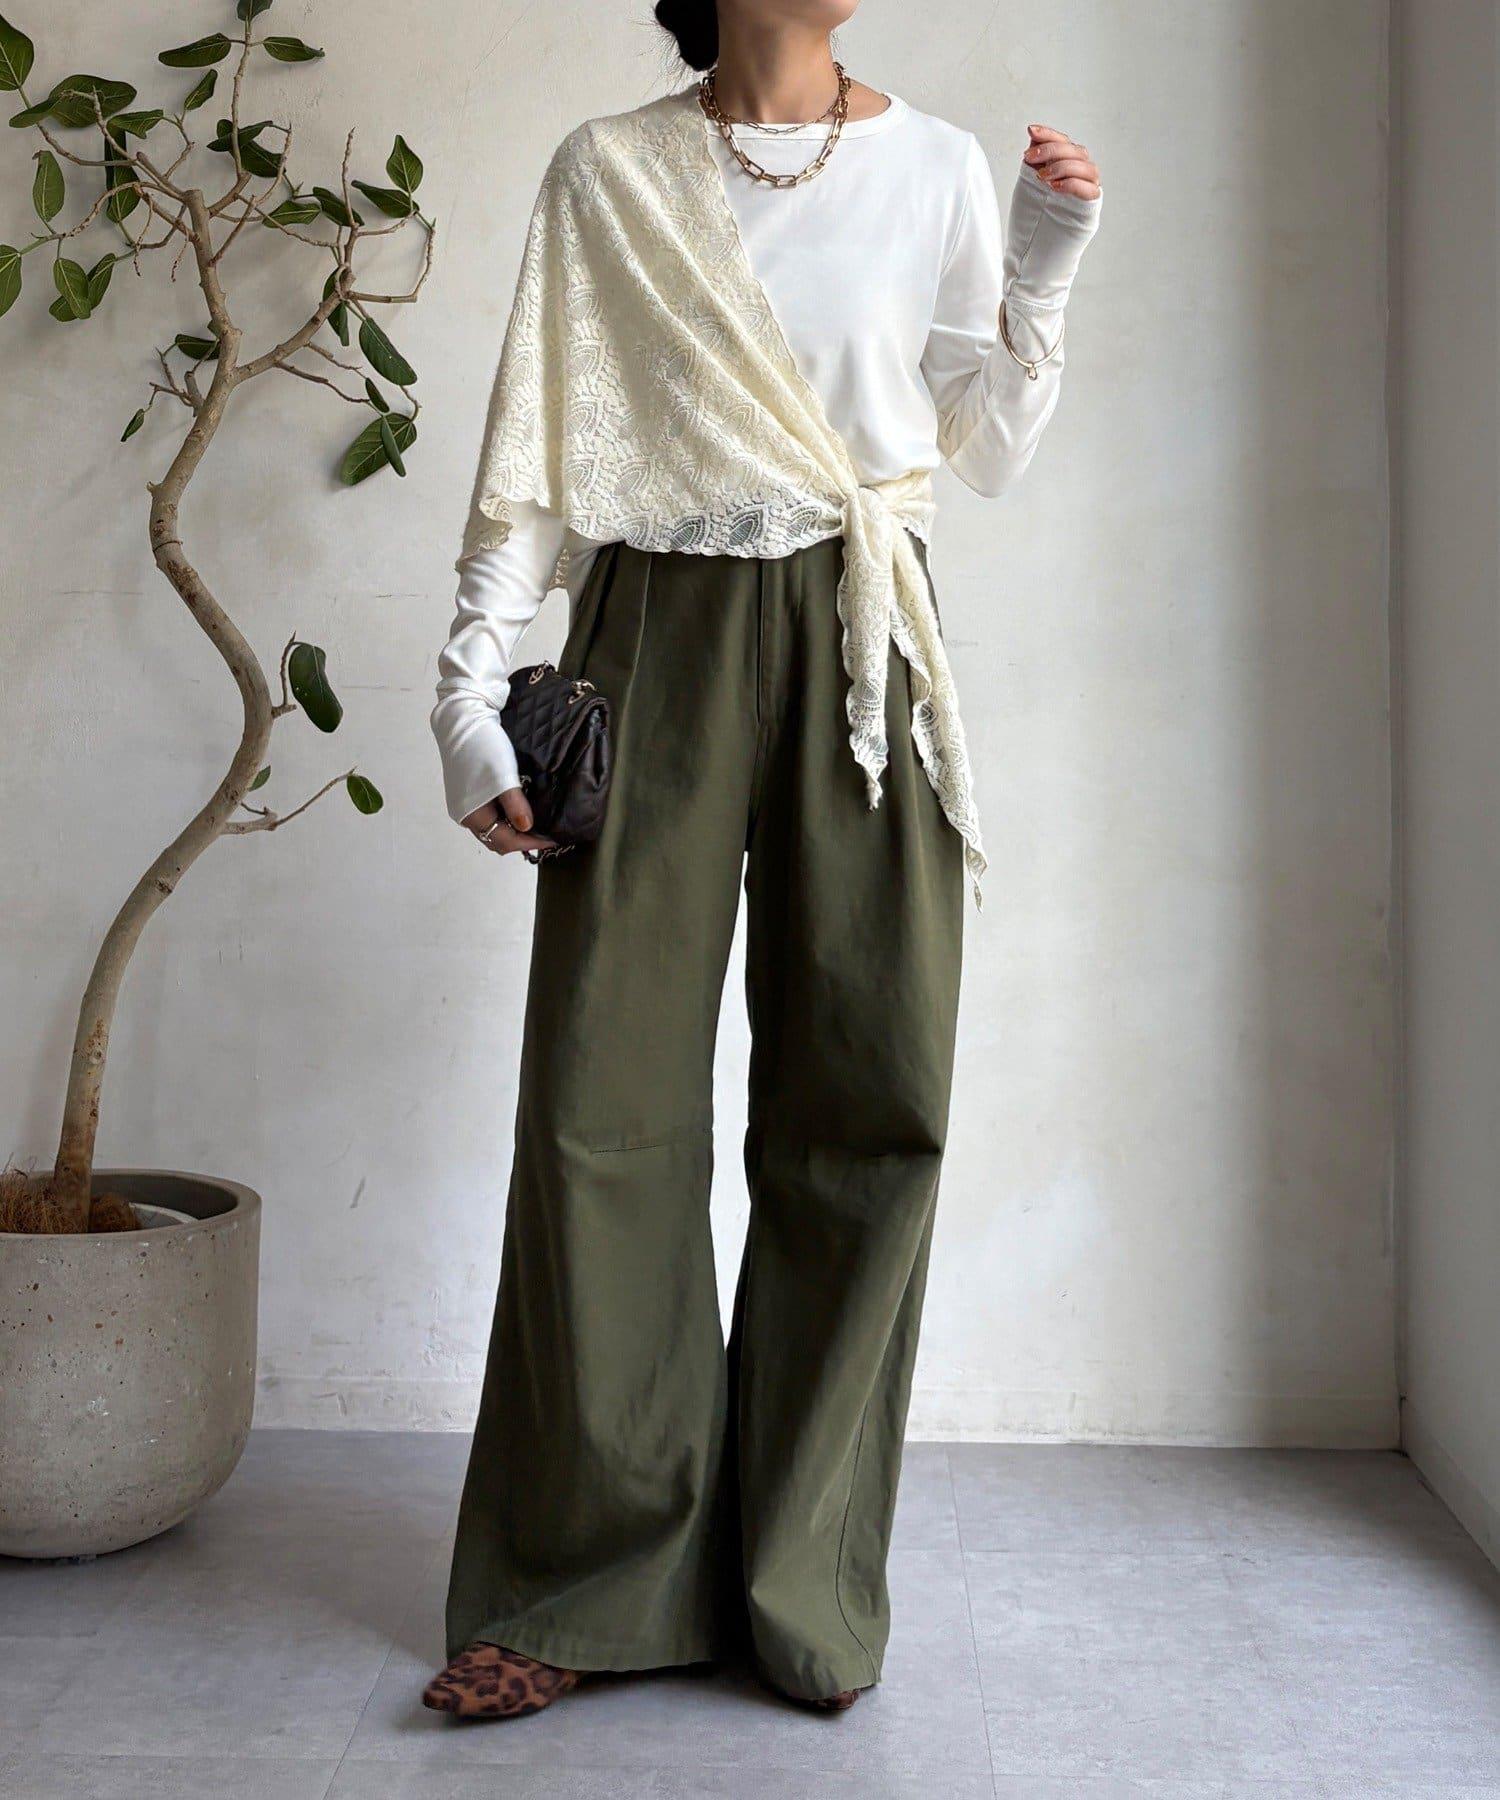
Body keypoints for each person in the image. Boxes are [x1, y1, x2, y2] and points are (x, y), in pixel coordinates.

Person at [424, 0, 1102, 1721]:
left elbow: (987, 452)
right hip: (654, 625)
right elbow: (536, 450)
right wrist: (467, 696)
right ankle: (591, 1583)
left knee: (874, 1089)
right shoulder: (610, 173)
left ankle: (800, 1580)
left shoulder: (937, 165)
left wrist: (1044, 260)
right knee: (602, 1101)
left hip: (868, 629)